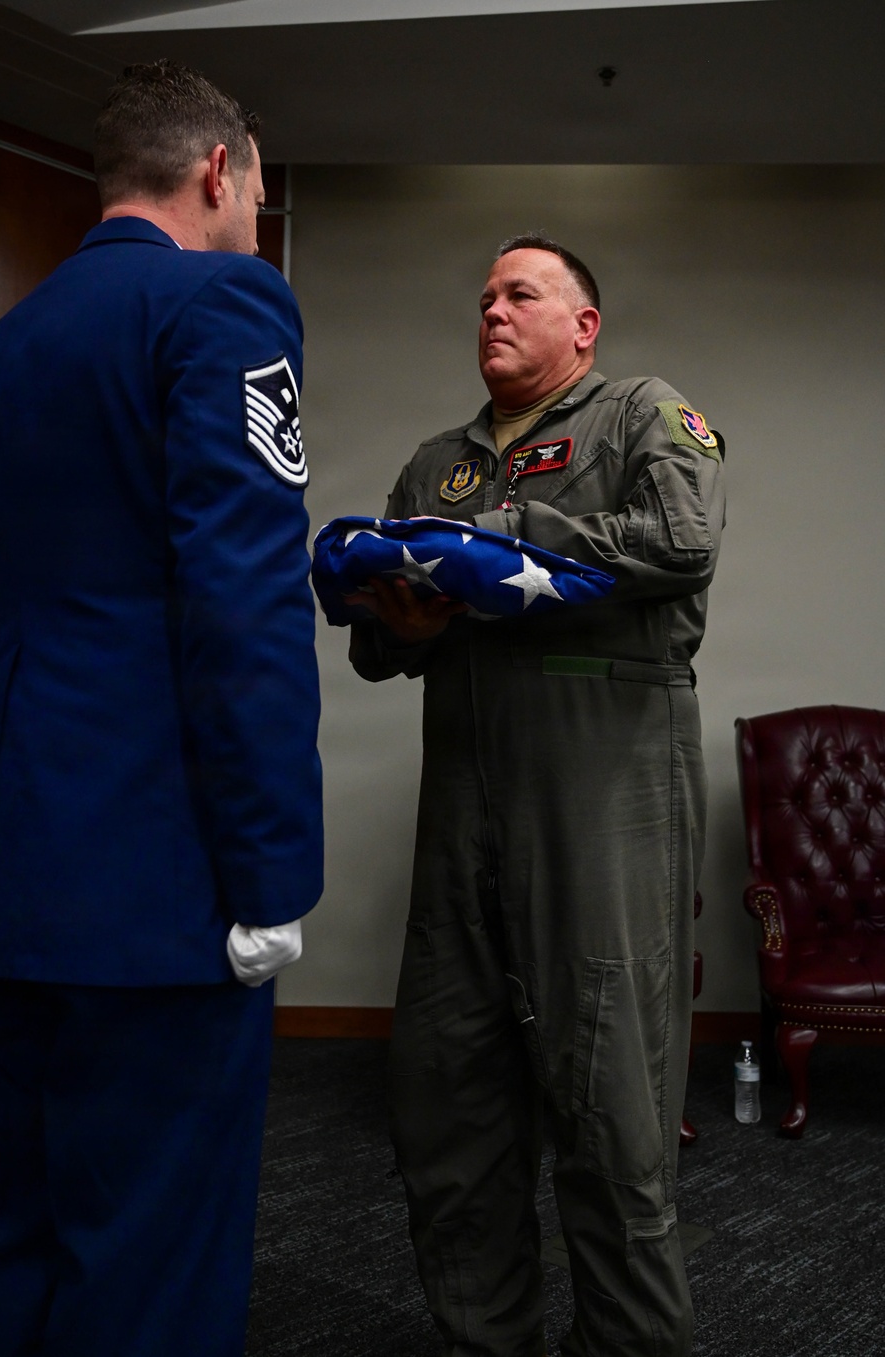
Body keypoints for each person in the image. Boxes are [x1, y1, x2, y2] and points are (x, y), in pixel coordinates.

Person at [0, 60, 322, 1357]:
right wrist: (269, 875)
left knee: (26, 1230)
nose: (254, 213)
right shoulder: (226, 304)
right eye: (255, 186)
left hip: (16, 880)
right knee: (154, 1263)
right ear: (219, 169)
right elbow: (243, 598)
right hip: (163, 889)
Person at [348, 235, 725, 1357]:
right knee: (448, 1115)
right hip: (463, 819)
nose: (493, 311)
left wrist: (499, 546)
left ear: (583, 324)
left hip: (601, 807)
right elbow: (377, 651)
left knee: (610, 1120)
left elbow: (682, 539)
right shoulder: (439, 463)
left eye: (520, 293)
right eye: (482, 299)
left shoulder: (640, 416)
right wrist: (400, 612)